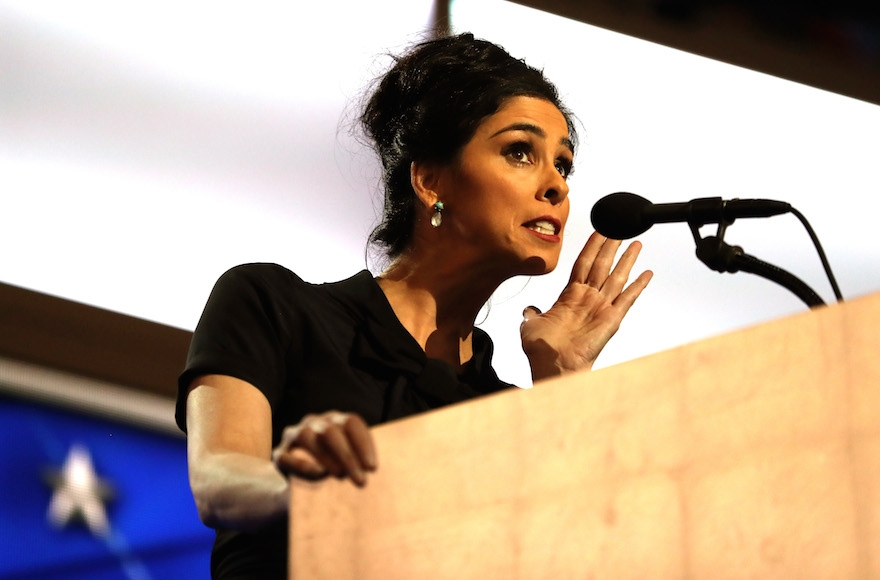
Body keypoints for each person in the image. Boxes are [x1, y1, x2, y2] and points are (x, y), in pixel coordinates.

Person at [176, 32, 652, 578]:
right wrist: (301, 488)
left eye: (562, 165)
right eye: (520, 152)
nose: (556, 187)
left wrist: (564, 379)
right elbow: (220, 479)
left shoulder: (506, 410)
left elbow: (569, 555)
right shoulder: (272, 304)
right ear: (429, 180)